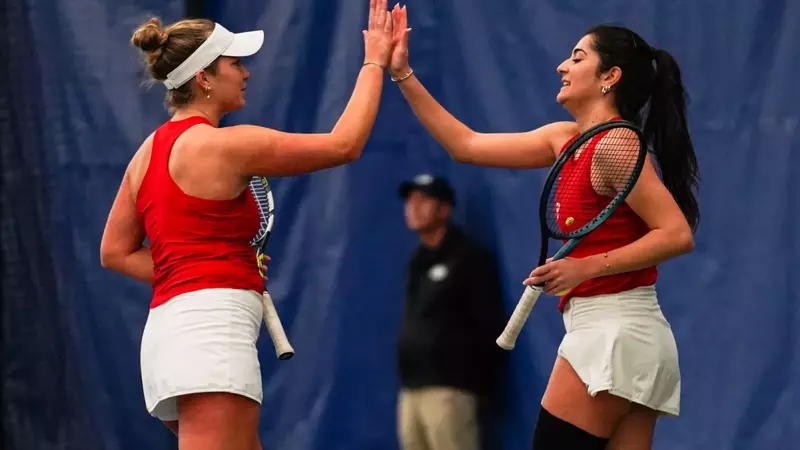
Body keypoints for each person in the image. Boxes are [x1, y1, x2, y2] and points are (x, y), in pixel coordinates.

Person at [386, 5, 699, 450]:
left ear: (609, 77)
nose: (562, 66)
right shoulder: (563, 138)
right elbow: (465, 145)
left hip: (613, 333)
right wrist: (402, 73)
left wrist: (584, 267)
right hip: (630, 338)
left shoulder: (614, 144)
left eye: (577, 57)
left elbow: (676, 234)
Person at [99, 1, 394, 448]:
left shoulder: (145, 154)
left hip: (169, 337)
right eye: (235, 64)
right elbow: (344, 145)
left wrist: (210, 265)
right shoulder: (228, 146)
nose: (246, 73)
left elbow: (115, 252)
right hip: (210, 335)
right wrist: (374, 61)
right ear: (204, 78)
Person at [395, 173, 507, 450]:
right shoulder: (416, 262)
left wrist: (479, 383)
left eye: (424, 200)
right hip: (412, 388)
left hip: (451, 389)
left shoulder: (469, 257)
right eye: (410, 201)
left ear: (444, 209)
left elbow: (488, 324)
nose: (413, 207)